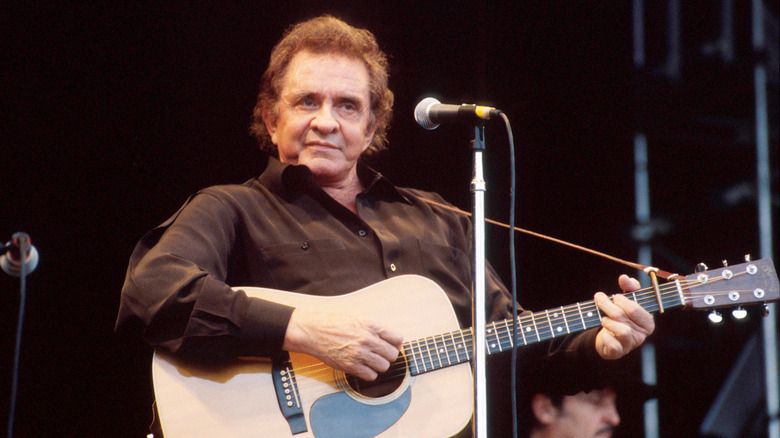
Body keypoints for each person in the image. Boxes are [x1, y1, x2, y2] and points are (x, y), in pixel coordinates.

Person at [116, 14, 655, 435]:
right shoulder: (231, 208)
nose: (326, 121)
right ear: (270, 117)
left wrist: (598, 348)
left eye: (348, 106)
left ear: (372, 126)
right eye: (307, 101)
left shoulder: (438, 218)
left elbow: (514, 346)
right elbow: (153, 290)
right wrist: (303, 331)